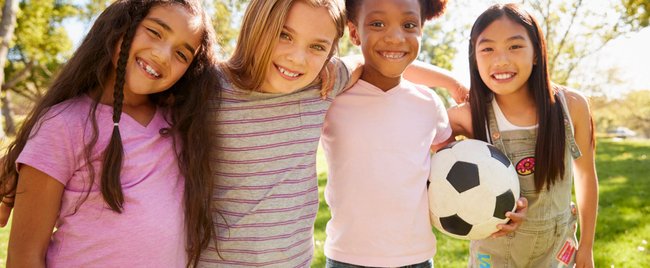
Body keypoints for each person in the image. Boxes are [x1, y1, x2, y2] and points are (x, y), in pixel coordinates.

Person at [199, 0, 473, 266]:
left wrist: (451, 83)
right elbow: (367, 59)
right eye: (284, 35)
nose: (297, 57)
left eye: (317, 46)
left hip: (392, 258)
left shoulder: (324, 87)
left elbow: (376, 61)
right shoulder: (213, 91)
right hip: (330, 257)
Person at [0, 0, 219, 266]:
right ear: (121, 26)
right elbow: (24, 258)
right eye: (155, 32)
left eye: (182, 55)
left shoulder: (183, 127)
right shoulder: (63, 125)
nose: (162, 55)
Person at [321, 0, 527, 267]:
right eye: (377, 23)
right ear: (354, 31)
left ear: (421, 30)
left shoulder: (428, 103)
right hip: (346, 258)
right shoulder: (332, 100)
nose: (395, 37)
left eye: (409, 25)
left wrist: (499, 206)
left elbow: (454, 165)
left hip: (416, 259)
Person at [446, 3, 598, 267]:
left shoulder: (571, 105)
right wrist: (449, 82)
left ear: (537, 53)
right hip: (493, 255)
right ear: (474, 57)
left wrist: (586, 247)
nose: (501, 59)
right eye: (487, 49)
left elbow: (585, 176)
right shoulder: (468, 116)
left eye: (515, 46)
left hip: (557, 252)